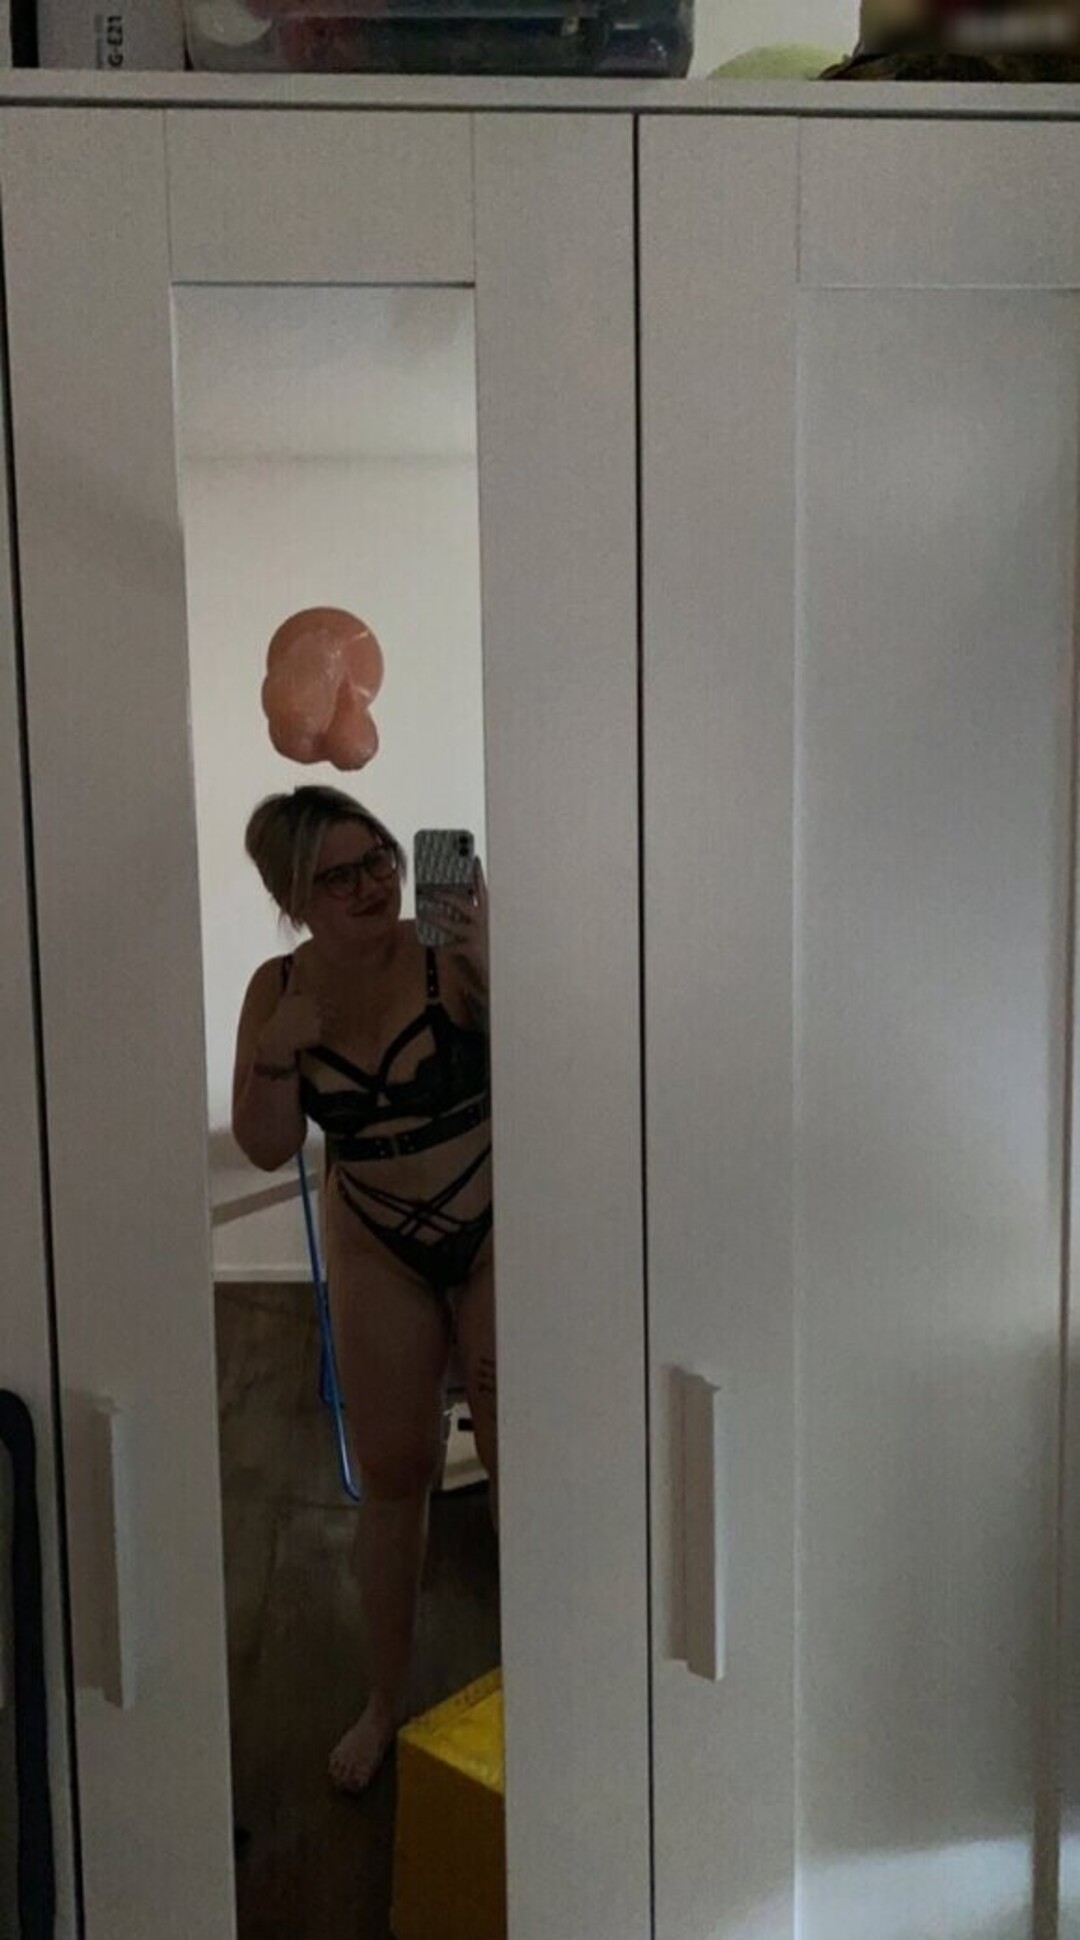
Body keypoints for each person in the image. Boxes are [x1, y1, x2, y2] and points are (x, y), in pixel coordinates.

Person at [232, 785, 495, 1793]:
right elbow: (265, 1147)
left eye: (379, 858)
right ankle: (385, 1700)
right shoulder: (275, 988)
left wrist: (486, 950)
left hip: (494, 1224)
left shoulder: (444, 947)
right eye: (338, 876)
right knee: (393, 1473)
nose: (372, 886)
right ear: (293, 898)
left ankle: (547, 1682)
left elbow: (557, 1053)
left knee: (520, 1461)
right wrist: (276, 1050)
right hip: (377, 1238)